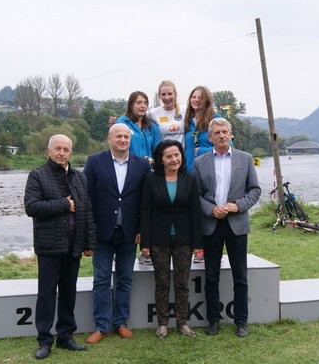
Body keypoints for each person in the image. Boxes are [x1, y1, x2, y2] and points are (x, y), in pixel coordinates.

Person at [24, 134, 96, 359]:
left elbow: (87, 211)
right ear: (49, 150)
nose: (62, 153)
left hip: (74, 246)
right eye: (58, 149)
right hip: (49, 246)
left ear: (70, 153)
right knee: (46, 295)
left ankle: (66, 336)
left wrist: (89, 242)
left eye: (66, 149)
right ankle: (45, 340)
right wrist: (64, 204)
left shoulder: (79, 177)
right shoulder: (37, 175)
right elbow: (32, 207)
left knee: (68, 293)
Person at [193, 118, 261, 337]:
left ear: (231, 134)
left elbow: (255, 190)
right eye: (217, 133)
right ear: (210, 137)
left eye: (225, 132)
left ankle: (241, 321)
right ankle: (213, 321)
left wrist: (237, 206)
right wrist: (211, 209)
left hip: (236, 224)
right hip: (211, 224)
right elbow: (196, 194)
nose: (221, 135)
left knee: (240, 276)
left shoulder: (246, 159)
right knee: (211, 276)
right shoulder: (199, 162)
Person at [83, 123, 151, 344]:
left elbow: (145, 202)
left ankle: (120, 323)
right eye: (118, 136)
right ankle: (101, 326)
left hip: (130, 234)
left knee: (125, 279)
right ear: (109, 139)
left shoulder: (142, 165)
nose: (122, 140)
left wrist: (142, 230)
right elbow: (87, 197)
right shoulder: (95, 162)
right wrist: (89, 232)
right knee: (101, 280)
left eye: (126, 137)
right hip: (102, 233)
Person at [140, 140, 202, 338]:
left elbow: (195, 212)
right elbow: (145, 211)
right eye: (169, 156)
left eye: (177, 155)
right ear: (161, 159)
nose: (174, 159)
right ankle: (163, 324)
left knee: (182, 282)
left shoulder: (190, 179)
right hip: (158, 239)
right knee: (162, 282)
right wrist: (145, 243)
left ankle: (182, 323)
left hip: (184, 239)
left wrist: (198, 243)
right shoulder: (151, 180)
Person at [182, 85, 221, 171]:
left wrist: (201, 151)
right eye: (194, 97)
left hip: (210, 171)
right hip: (189, 172)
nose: (196, 100)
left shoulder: (216, 119)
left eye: (200, 98)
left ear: (207, 101)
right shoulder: (187, 120)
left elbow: (226, 147)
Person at [114, 91, 161, 163]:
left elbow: (157, 150)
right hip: (127, 166)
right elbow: (116, 147)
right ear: (131, 105)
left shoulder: (152, 126)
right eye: (139, 103)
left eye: (145, 103)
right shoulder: (122, 124)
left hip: (148, 167)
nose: (143, 106)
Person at [148, 80, 186, 145]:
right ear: (159, 96)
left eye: (170, 94)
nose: (167, 98)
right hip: (163, 151)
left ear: (175, 94)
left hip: (182, 151)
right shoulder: (152, 113)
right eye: (163, 94)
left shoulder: (185, 110)